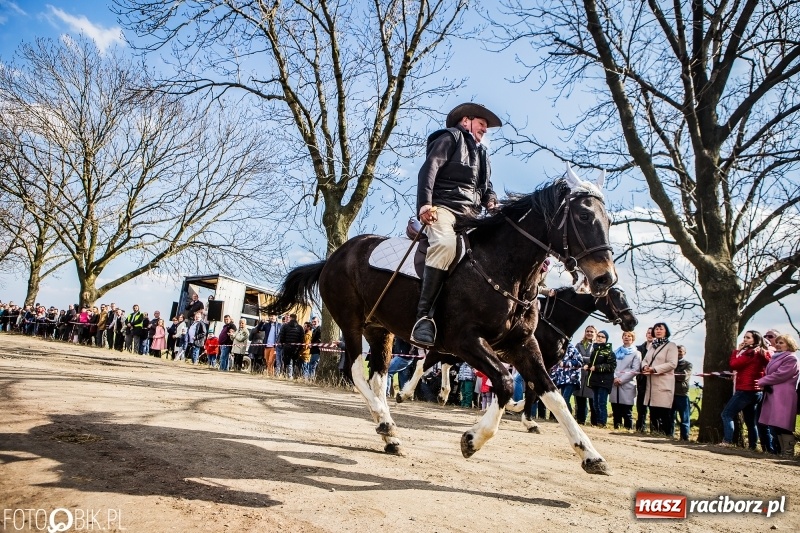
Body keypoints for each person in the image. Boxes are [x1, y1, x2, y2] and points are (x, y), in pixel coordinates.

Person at [410, 102, 502, 347]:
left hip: (472, 215)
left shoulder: (483, 154)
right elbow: (429, 168)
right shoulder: (450, 137)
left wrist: (492, 202)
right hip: (444, 208)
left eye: (486, 126)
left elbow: (487, 188)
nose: (485, 129)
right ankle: (424, 317)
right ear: (466, 121)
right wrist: (425, 205)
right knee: (445, 244)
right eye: (482, 123)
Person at [720, 330, 771, 449]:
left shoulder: (750, 353)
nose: (744, 340)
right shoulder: (762, 352)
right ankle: (753, 446)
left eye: (748, 338)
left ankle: (727, 441)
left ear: (755, 339)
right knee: (750, 421)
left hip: (745, 389)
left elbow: (734, 364)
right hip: (757, 391)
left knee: (726, 414)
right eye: (744, 337)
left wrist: (736, 351)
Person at [757, 334, 799, 457]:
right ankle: (782, 451)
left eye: (782, 343)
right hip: (774, 394)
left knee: (783, 425)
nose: (778, 345)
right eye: (778, 342)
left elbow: (781, 374)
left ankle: (788, 452)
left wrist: (762, 381)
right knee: (776, 425)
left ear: (789, 345)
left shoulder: (791, 358)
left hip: (784, 395)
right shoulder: (776, 357)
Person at [641, 322, 679, 435]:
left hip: (663, 383)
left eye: (661, 329)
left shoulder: (671, 346)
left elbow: (672, 364)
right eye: (656, 329)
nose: (658, 331)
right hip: (651, 384)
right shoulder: (652, 346)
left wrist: (654, 369)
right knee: (653, 411)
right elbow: (645, 360)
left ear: (666, 331)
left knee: (664, 412)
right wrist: (644, 366)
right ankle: (654, 432)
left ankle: (666, 435)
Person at [610, 331, 641, 430]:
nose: (626, 337)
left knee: (627, 412)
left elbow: (635, 369)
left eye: (629, 336)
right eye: (625, 335)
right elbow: (611, 366)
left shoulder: (636, 353)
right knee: (616, 411)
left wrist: (621, 380)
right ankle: (616, 429)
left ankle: (628, 430)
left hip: (627, 384)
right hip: (615, 384)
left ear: (633, 338)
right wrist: (615, 377)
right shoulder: (616, 351)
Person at [587, 330, 616, 427]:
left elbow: (611, 366)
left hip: (604, 381)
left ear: (606, 339)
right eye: (598, 336)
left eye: (602, 337)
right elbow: (593, 363)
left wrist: (597, 368)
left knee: (601, 403)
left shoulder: (609, 352)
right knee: (595, 403)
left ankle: (602, 423)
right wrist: (588, 366)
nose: (600, 338)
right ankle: (596, 422)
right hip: (595, 380)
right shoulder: (595, 351)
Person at [573, 326, 597, 425]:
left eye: (591, 331)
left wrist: (583, 358)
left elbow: (595, 358)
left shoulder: (597, 345)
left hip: (592, 376)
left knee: (593, 401)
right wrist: (587, 359)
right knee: (580, 400)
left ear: (595, 333)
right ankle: (580, 420)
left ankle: (594, 423)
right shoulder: (579, 344)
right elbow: (575, 356)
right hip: (580, 376)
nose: (589, 333)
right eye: (587, 331)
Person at [669, 345, 693, 441]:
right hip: (670, 393)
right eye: (677, 351)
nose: (678, 353)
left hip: (682, 394)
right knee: (670, 417)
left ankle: (684, 437)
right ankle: (669, 436)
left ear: (684, 353)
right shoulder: (671, 363)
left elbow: (683, 376)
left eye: (680, 351)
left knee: (684, 418)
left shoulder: (688, 364)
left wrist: (670, 374)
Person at [551, 343, 583, 414]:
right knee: (563, 399)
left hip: (572, 379)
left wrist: (565, 364)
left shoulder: (572, 349)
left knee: (565, 399)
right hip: (562, 380)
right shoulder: (558, 350)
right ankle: (565, 416)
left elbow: (579, 362)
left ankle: (568, 416)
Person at [635, 327, 654, 432]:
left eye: (652, 333)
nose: (650, 335)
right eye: (648, 333)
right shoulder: (638, 348)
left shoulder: (658, 348)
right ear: (646, 334)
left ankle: (654, 429)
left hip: (653, 379)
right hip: (641, 380)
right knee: (641, 405)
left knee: (653, 406)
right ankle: (640, 428)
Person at [279, 313, 305, 378]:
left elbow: (281, 337)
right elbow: (302, 339)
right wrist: (299, 348)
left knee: (287, 362)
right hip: (296, 348)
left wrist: (283, 345)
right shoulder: (300, 328)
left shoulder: (285, 326)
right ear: (296, 318)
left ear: (290, 318)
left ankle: (288, 375)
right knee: (294, 362)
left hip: (287, 347)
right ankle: (293, 375)